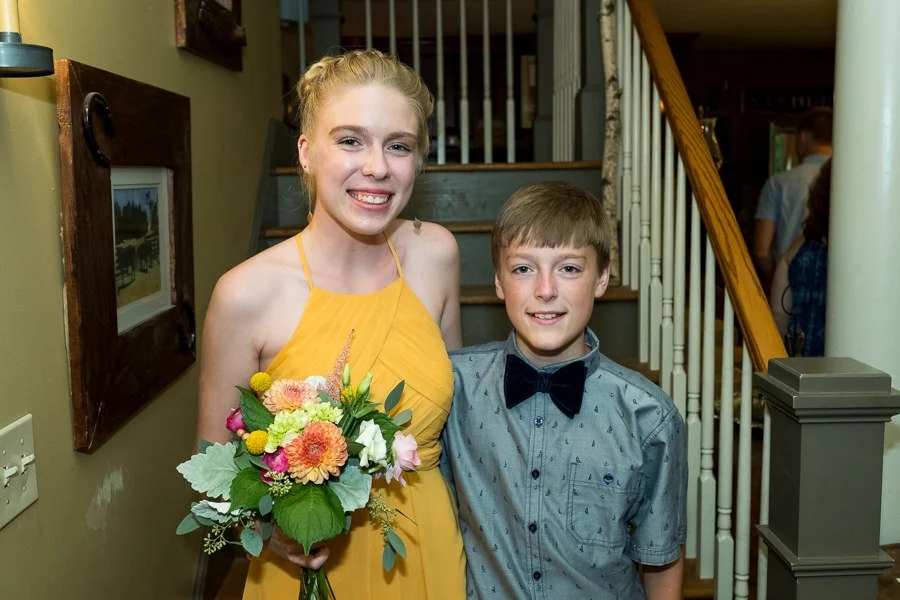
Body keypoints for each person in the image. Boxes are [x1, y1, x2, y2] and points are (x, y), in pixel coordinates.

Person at [197, 49, 466, 599]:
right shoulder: (246, 293)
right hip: (303, 574)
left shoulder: (436, 254)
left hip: (428, 556)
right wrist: (271, 536)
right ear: (305, 151)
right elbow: (214, 481)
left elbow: (461, 427)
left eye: (399, 145)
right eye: (350, 140)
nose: (377, 167)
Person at [442, 182, 687, 599]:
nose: (546, 290)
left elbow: (660, 560)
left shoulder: (648, 416)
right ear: (499, 281)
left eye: (569, 268)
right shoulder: (452, 387)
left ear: (602, 278)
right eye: (523, 269)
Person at [753, 107, 832, 286]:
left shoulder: (779, 183)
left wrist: (780, 278)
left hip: (792, 284)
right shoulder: (850, 180)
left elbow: (761, 250)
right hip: (841, 285)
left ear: (803, 137)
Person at [769, 158, 831, 356]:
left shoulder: (800, 247)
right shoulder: (874, 254)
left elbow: (779, 314)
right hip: (858, 370)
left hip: (802, 369)